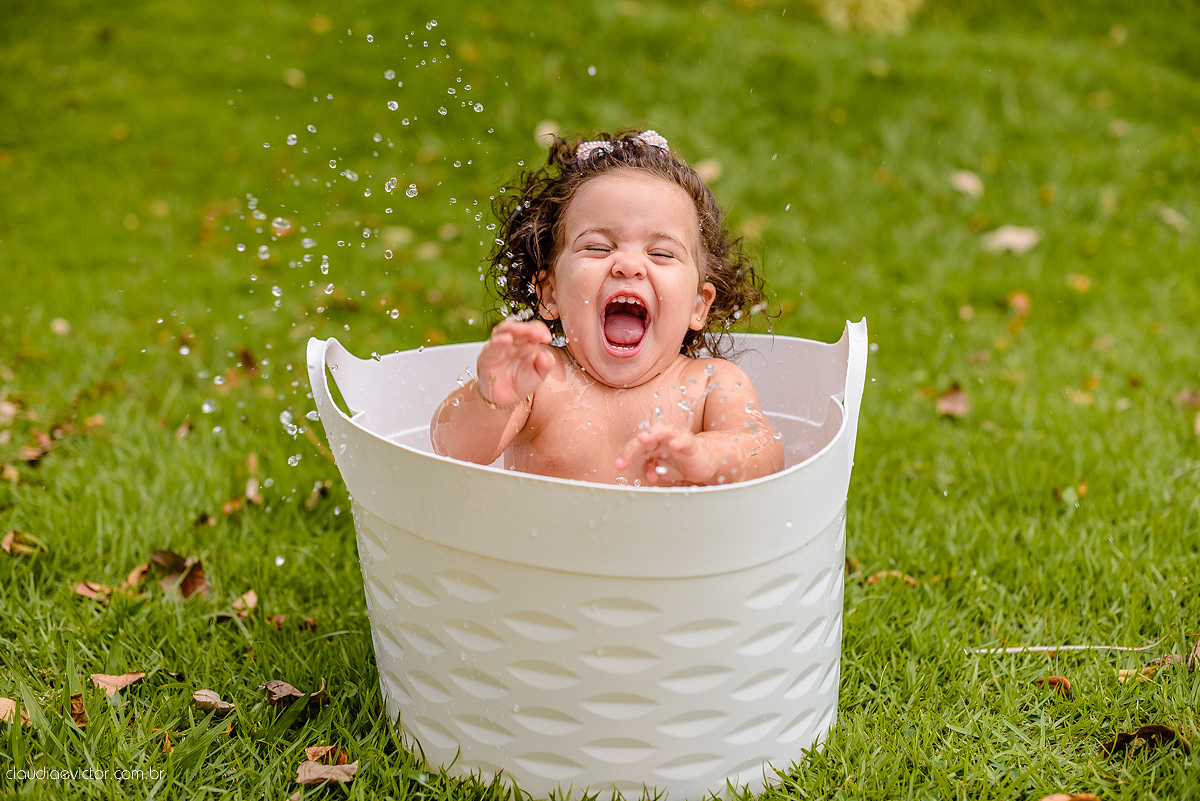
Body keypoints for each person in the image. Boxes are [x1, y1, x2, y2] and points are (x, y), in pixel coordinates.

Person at [430, 129, 784, 486]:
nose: (628, 265)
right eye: (598, 248)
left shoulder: (709, 384)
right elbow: (453, 451)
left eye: (660, 253)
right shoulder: (540, 380)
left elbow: (764, 451)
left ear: (698, 304)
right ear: (550, 293)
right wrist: (491, 400)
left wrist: (708, 456)